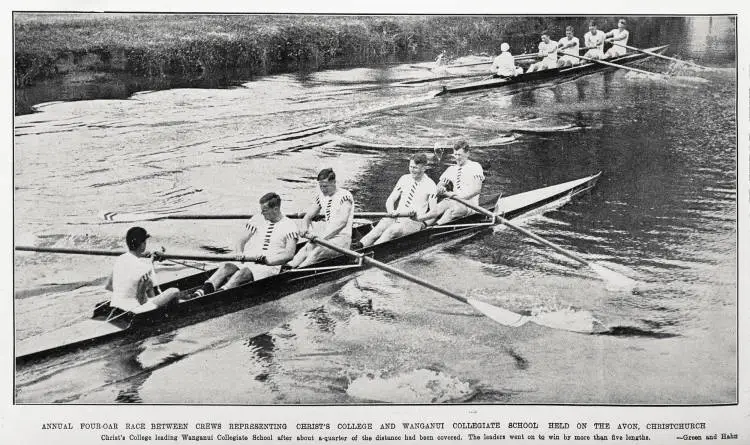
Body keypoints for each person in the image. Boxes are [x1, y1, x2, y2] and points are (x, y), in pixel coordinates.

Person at [188, 193, 299, 299]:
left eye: (265, 211)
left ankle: (218, 295)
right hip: (250, 258)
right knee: (227, 266)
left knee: (243, 272)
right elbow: (240, 240)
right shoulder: (258, 218)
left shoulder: (289, 226)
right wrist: (240, 253)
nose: (262, 213)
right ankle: (201, 293)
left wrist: (268, 261)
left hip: (270, 265)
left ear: (275, 209)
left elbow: (289, 254)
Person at [357, 153, 437, 247]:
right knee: (378, 229)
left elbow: (434, 212)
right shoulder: (404, 179)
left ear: (424, 168)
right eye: (411, 167)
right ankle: (359, 246)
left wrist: (420, 219)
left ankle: (369, 251)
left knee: (391, 231)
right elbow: (390, 200)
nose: (412, 170)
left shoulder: (431, 185)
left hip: (414, 222)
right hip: (397, 216)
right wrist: (391, 211)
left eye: (415, 168)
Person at [287, 168, 355, 269]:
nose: (323, 189)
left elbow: (342, 223)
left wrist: (321, 238)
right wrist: (304, 227)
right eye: (321, 186)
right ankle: (287, 268)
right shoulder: (321, 197)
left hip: (342, 240)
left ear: (334, 182)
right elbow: (308, 216)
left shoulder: (345, 196)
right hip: (327, 238)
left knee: (317, 252)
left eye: (325, 186)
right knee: (306, 249)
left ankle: (296, 273)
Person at [105, 226, 179, 312]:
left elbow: (108, 286)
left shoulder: (120, 259)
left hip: (115, 304)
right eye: (145, 242)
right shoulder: (144, 267)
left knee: (149, 283)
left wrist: (126, 291)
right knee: (174, 291)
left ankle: (154, 300)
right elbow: (141, 300)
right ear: (143, 244)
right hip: (134, 309)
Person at [417, 140, 485, 226]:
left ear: (467, 154)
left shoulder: (475, 166)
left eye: (459, 155)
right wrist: (441, 188)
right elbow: (438, 187)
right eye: (455, 154)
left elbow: (477, 190)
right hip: (453, 201)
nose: (457, 158)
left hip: (470, 205)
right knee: (439, 207)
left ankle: (434, 228)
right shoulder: (451, 169)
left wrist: (458, 198)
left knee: (451, 210)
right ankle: (421, 223)